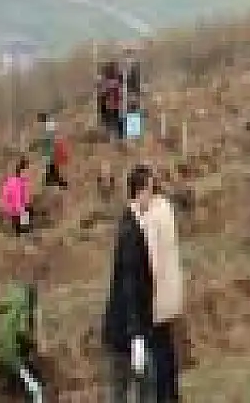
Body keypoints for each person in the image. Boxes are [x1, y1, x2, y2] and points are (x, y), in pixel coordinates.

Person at [102, 164, 155, 402]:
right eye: (150, 190)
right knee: (129, 389)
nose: (152, 197)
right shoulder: (130, 233)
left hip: (127, 328)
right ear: (140, 192)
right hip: (124, 330)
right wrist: (136, 335)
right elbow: (129, 284)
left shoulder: (133, 225)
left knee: (129, 389)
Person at [142, 185, 184, 402]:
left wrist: (147, 291)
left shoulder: (151, 216)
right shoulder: (166, 208)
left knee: (158, 348)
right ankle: (172, 393)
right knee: (167, 344)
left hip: (156, 293)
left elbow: (153, 260)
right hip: (170, 291)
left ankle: (162, 396)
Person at [0, 281, 44, 403]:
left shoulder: (7, 309)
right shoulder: (23, 311)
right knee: (37, 390)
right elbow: (22, 333)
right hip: (12, 357)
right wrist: (32, 346)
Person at [0, 157, 34, 236]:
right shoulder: (21, 182)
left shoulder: (9, 181)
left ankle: (20, 228)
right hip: (17, 210)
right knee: (27, 208)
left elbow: (4, 196)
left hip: (11, 210)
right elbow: (24, 199)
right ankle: (24, 228)